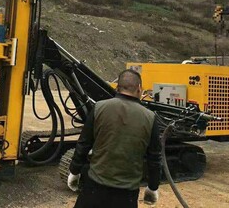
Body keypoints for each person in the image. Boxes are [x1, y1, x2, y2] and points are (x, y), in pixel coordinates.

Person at [68, 69, 162, 208]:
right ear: (139, 89)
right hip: (126, 195)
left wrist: (74, 171)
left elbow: (83, 144)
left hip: (94, 188)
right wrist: (153, 187)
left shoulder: (99, 108)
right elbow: (154, 158)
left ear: (117, 87)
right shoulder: (150, 118)